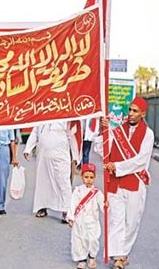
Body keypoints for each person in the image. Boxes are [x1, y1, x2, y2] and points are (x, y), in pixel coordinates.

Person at [103, 97, 154, 269]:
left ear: (143, 114)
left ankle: (123, 253)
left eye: (135, 111)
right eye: (130, 110)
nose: (130, 114)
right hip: (116, 183)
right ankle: (119, 256)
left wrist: (117, 166)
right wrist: (103, 129)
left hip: (135, 183)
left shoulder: (148, 134)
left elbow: (140, 161)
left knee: (131, 221)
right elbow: (101, 147)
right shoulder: (117, 130)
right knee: (116, 220)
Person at [23, 122, 72, 223]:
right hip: (43, 156)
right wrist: (28, 148)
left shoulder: (66, 115)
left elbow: (74, 134)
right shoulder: (43, 114)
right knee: (43, 182)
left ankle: (66, 210)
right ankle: (42, 207)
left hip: (60, 156)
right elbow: (35, 132)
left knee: (63, 182)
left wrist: (76, 155)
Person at [66, 163, 105, 269]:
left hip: (92, 221)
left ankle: (92, 256)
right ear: (82, 176)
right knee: (79, 240)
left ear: (95, 178)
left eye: (91, 177)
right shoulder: (77, 191)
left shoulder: (97, 193)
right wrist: (71, 217)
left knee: (93, 239)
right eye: (86, 177)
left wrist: (106, 206)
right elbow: (72, 204)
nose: (89, 180)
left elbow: (102, 205)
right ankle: (81, 259)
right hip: (79, 221)